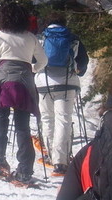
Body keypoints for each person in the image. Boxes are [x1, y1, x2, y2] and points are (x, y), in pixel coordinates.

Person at [0, 2, 48, 186]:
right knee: (23, 127)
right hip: (25, 82)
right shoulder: (31, 38)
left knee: (1, 119)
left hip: (3, 81)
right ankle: (25, 170)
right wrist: (32, 69)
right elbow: (43, 60)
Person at [34, 12, 89, 176]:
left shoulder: (41, 38)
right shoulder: (72, 37)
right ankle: (61, 162)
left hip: (44, 83)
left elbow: (32, 60)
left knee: (47, 118)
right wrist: (78, 73)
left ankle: (51, 156)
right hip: (67, 83)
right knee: (63, 120)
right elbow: (83, 62)